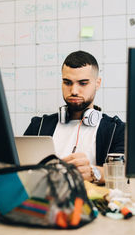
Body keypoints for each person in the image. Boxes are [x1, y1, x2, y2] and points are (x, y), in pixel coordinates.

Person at [24, 50, 125, 184]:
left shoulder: (116, 130)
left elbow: (126, 173)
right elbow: (17, 167)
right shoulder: (38, 125)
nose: (74, 91)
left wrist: (94, 172)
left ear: (97, 83)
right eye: (67, 82)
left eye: (83, 83)